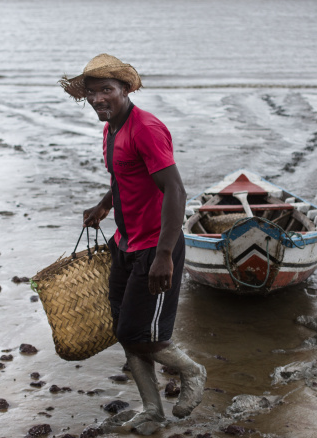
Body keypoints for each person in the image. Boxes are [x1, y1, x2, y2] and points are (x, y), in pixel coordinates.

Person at [59, 54, 206, 434]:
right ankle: (152, 410)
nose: (98, 99)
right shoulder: (111, 129)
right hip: (125, 244)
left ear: (124, 89)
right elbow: (124, 178)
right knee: (125, 330)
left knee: (144, 334)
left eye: (106, 90)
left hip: (157, 248)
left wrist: (163, 256)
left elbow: (175, 190)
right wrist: (104, 204)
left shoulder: (146, 128)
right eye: (91, 93)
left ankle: (192, 371)